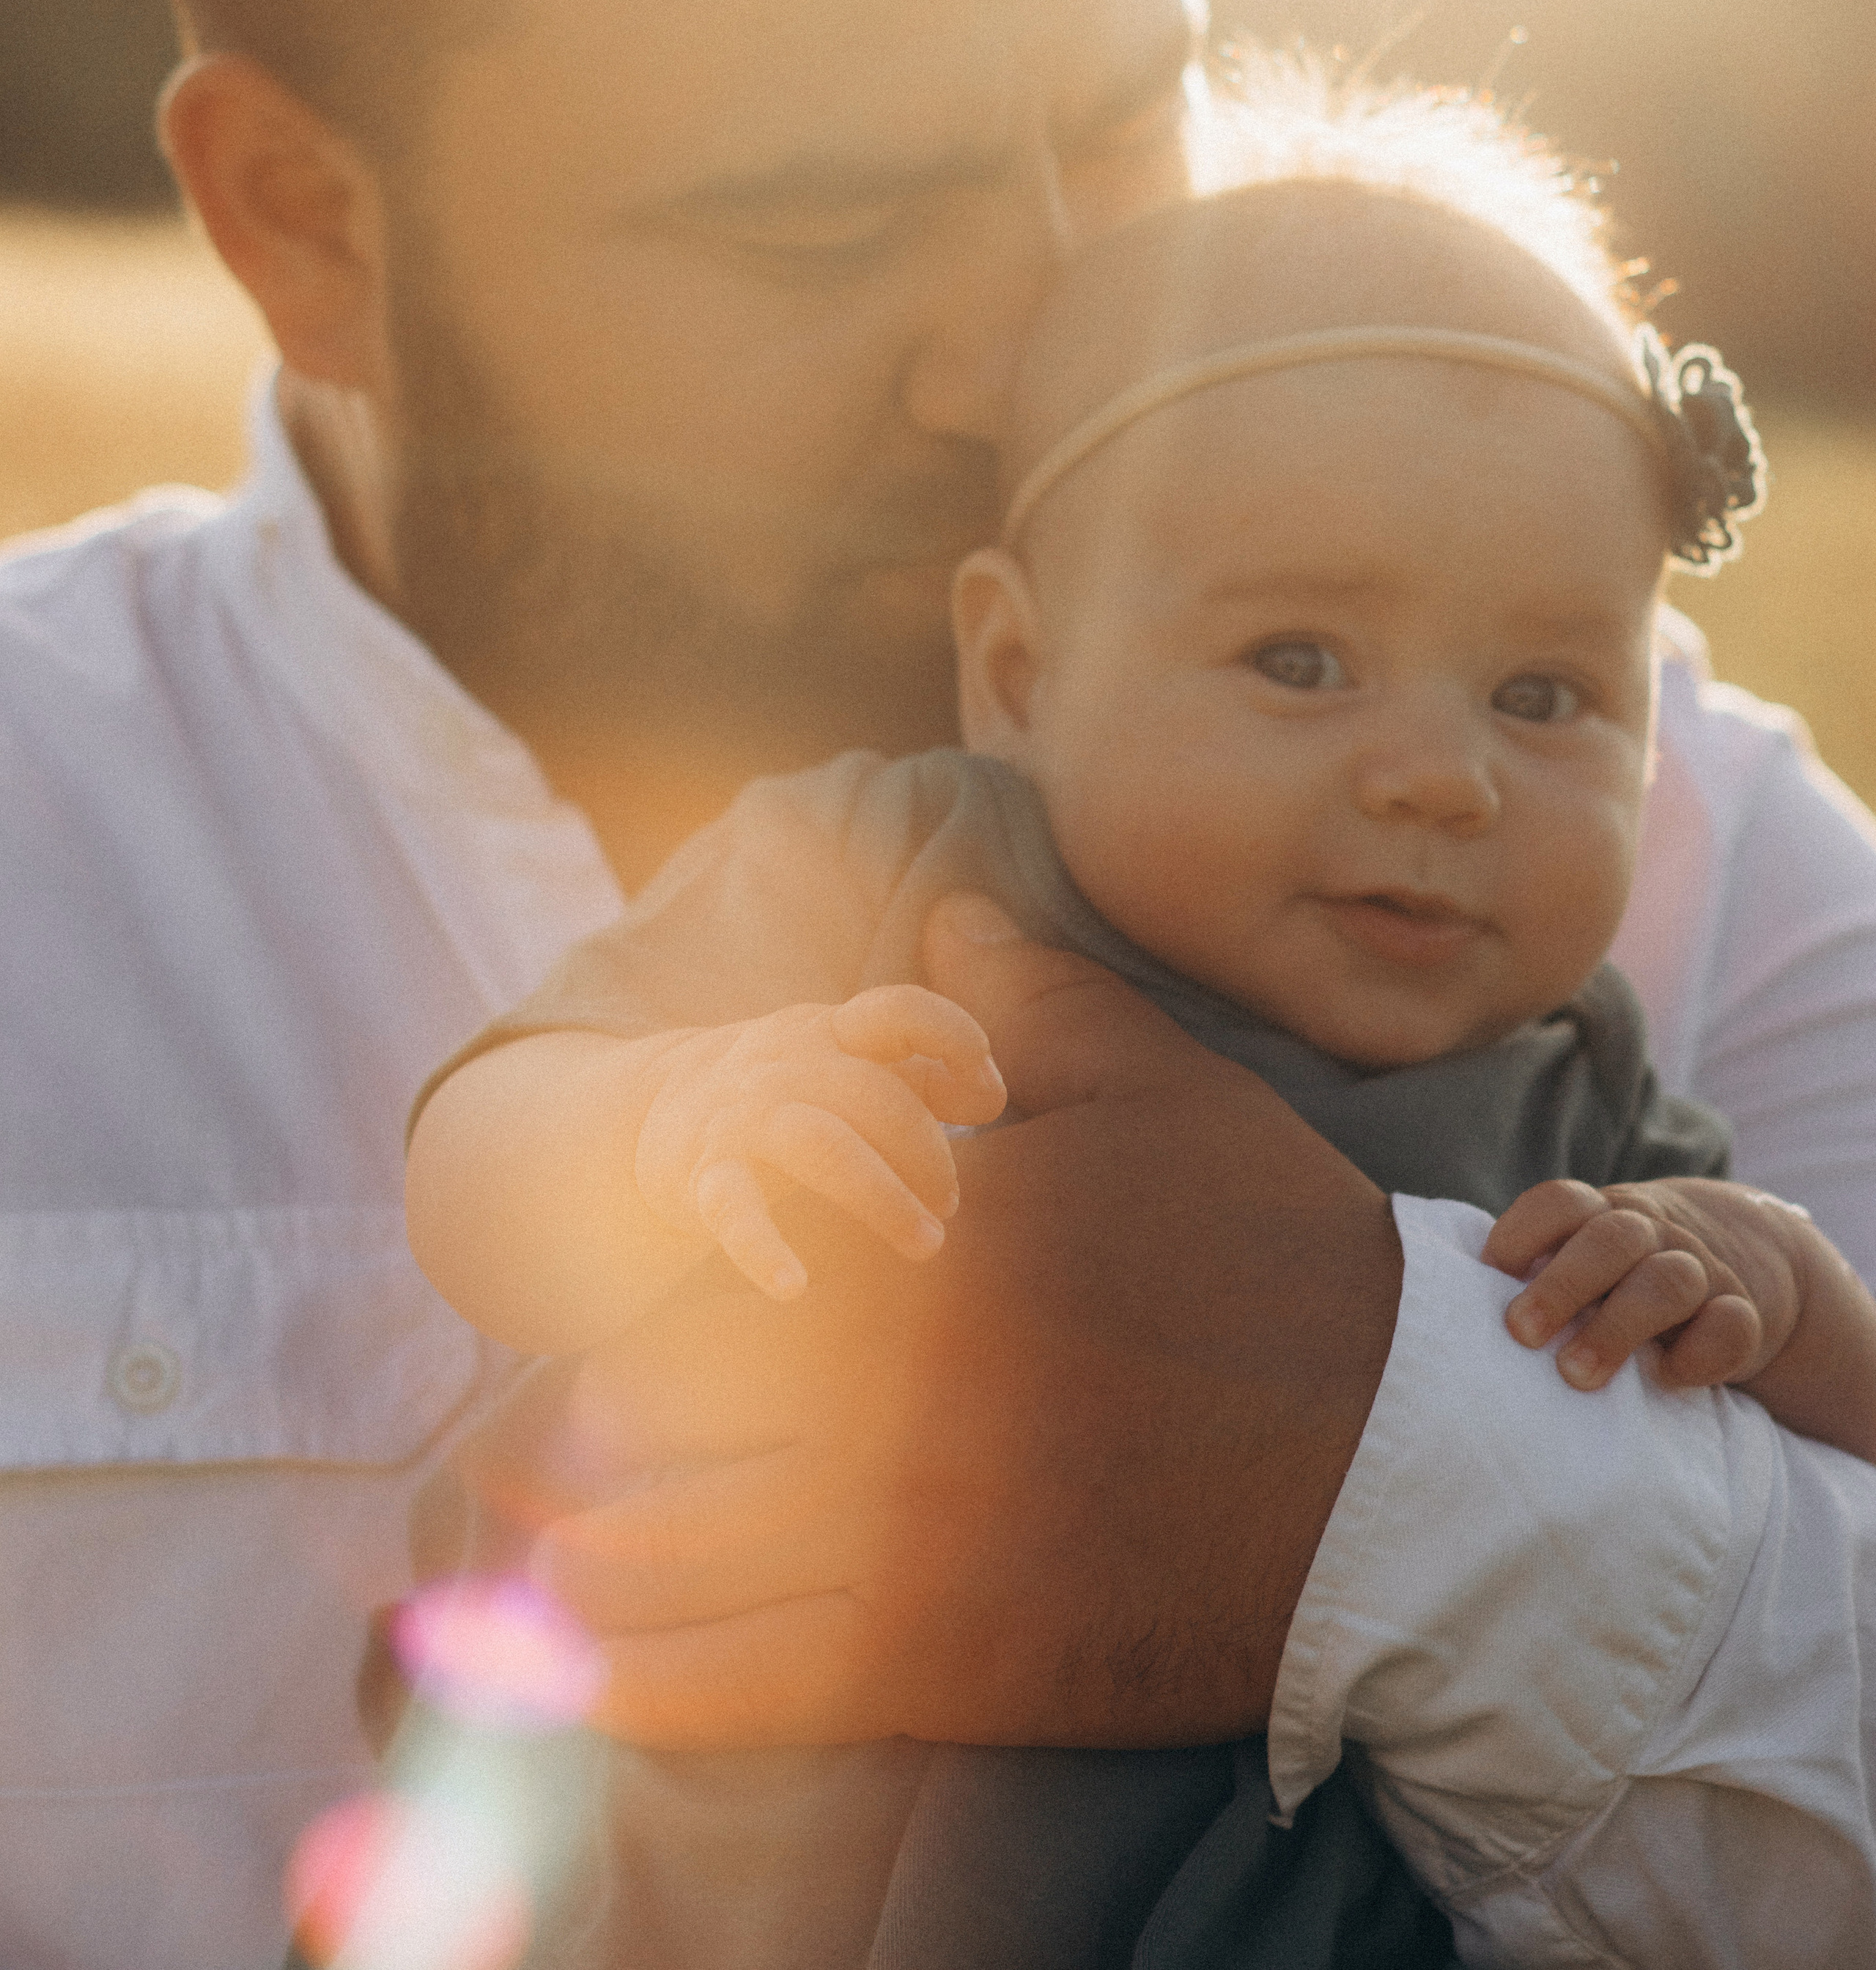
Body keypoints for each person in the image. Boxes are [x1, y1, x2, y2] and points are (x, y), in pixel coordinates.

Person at [3, 0, 1876, 1970]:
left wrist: (1408, 1468)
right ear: (304, 223)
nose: (1035, 338)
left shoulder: (1664, 844)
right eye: (817, 219)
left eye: (1132, 111)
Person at [402, 128, 1876, 1962]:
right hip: (694, 1889)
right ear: (1017, 671)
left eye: (1542, 695)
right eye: (1299, 661)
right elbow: (468, 1166)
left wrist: (1780, 1292)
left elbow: (1833, 1478)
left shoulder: (1579, 1103)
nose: (1439, 772)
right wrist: (661, 1116)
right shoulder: (880, 872)